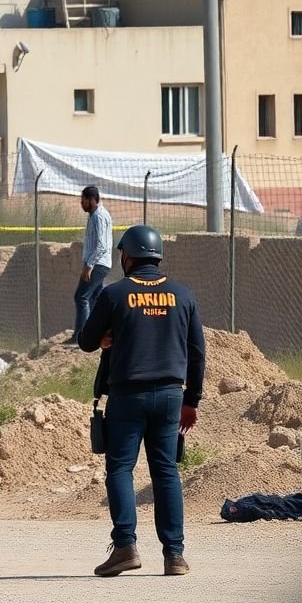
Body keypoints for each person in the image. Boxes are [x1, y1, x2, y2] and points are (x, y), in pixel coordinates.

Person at [78, 224, 205, 577]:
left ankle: (125, 547)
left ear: (126, 256)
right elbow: (197, 354)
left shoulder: (114, 294)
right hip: (169, 398)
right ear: (157, 255)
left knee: (120, 469)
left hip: (127, 396)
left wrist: (104, 334)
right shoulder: (183, 295)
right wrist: (191, 401)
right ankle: (175, 555)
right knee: (166, 472)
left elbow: (86, 341)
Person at [70, 185, 113, 344]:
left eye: (84, 201)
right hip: (97, 263)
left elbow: (101, 246)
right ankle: (99, 331)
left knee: (81, 297)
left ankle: (80, 337)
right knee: (96, 298)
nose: (82, 205)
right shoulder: (95, 215)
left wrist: (89, 266)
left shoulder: (99, 217)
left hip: (98, 264)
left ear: (92, 200)